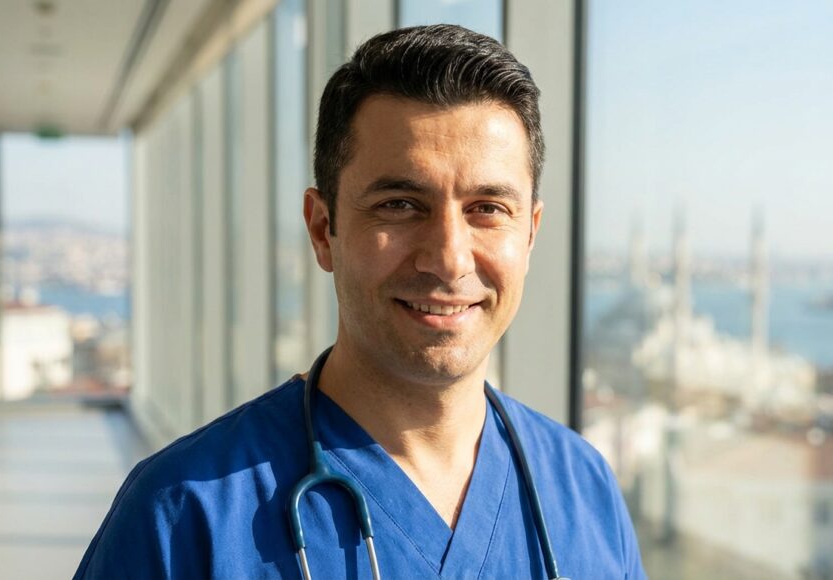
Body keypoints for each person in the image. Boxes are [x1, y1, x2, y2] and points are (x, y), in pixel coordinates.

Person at [76, 24, 647, 579]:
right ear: (324, 229)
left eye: (487, 209)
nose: (449, 258)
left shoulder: (583, 490)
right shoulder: (184, 514)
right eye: (400, 204)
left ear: (529, 235)